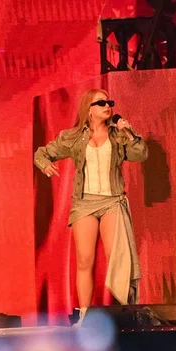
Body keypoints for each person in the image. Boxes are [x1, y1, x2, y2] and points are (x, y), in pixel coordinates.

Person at [34, 89, 148, 325]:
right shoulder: (74, 137)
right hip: (84, 203)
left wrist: (128, 132)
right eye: (101, 103)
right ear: (89, 109)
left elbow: (140, 154)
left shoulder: (117, 136)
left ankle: (126, 314)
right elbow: (42, 153)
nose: (107, 106)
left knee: (118, 259)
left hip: (112, 201)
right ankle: (84, 315)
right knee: (85, 260)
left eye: (110, 102)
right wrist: (44, 164)